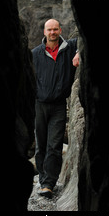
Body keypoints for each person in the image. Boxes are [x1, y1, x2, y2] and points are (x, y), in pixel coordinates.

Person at [32, 18, 80, 198]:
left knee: (54, 145)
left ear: (60, 30)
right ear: (44, 32)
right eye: (49, 30)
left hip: (59, 106)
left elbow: (84, 38)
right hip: (39, 105)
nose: (52, 32)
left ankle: (48, 183)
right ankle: (43, 178)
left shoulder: (69, 48)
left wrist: (79, 53)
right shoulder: (35, 53)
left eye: (55, 29)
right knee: (41, 145)